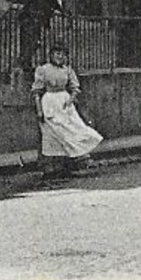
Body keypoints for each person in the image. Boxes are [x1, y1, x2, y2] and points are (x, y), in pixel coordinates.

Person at [32, 42, 103, 180]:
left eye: (62, 54)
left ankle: (67, 166)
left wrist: (71, 99)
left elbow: (75, 87)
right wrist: (39, 110)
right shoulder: (43, 70)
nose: (60, 57)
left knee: (71, 132)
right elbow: (36, 92)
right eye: (57, 54)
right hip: (49, 103)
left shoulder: (67, 70)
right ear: (51, 55)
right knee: (51, 135)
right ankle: (50, 169)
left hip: (64, 104)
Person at [19, 0, 64, 72]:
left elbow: (55, 3)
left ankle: (28, 62)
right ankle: (25, 63)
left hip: (38, 21)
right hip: (31, 20)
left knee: (35, 42)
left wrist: (62, 12)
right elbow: (41, 5)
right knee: (31, 41)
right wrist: (51, 11)